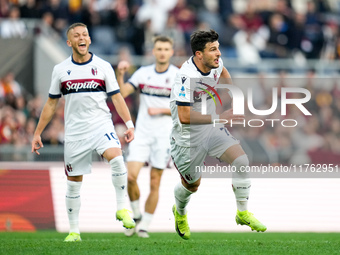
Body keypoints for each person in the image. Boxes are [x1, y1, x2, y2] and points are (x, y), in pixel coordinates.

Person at [31, 22, 136, 242]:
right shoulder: (60, 70)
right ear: (69, 42)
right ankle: (74, 231)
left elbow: (116, 97)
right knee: (73, 181)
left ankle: (121, 208)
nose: (82, 38)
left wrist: (129, 124)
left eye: (85, 34)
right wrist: (38, 133)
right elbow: (51, 104)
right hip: (75, 132)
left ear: (89, 40)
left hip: (100, 125)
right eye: (77, 35)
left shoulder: (103, 66)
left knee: (117, 158)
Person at [170, 29, 267, 240]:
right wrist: (221, 117)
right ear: (198, 54)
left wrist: (233, 97)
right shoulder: (185, 77)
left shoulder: (215, 64)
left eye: (218, 48)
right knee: (192, 185)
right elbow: (184, 116)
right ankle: (180, 212)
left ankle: (242, 213)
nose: (219, 53)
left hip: (211, 129)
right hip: (187, 139)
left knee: (241, 160)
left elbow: (224, 73)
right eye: (213, 49)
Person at [116, 36, 179, 238]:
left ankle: (145, 225)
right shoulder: (143, 73)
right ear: (153, 51)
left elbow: (187, 108)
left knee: (154, 182)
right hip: (142, 134)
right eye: (159, 48)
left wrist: (162, 111)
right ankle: (136, 216)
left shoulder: (178, 76)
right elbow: (123, 93)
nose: (162, 52)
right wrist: (120, 75)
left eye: (166, 49)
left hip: (164, 136)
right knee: (131, 176)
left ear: (171, 52)